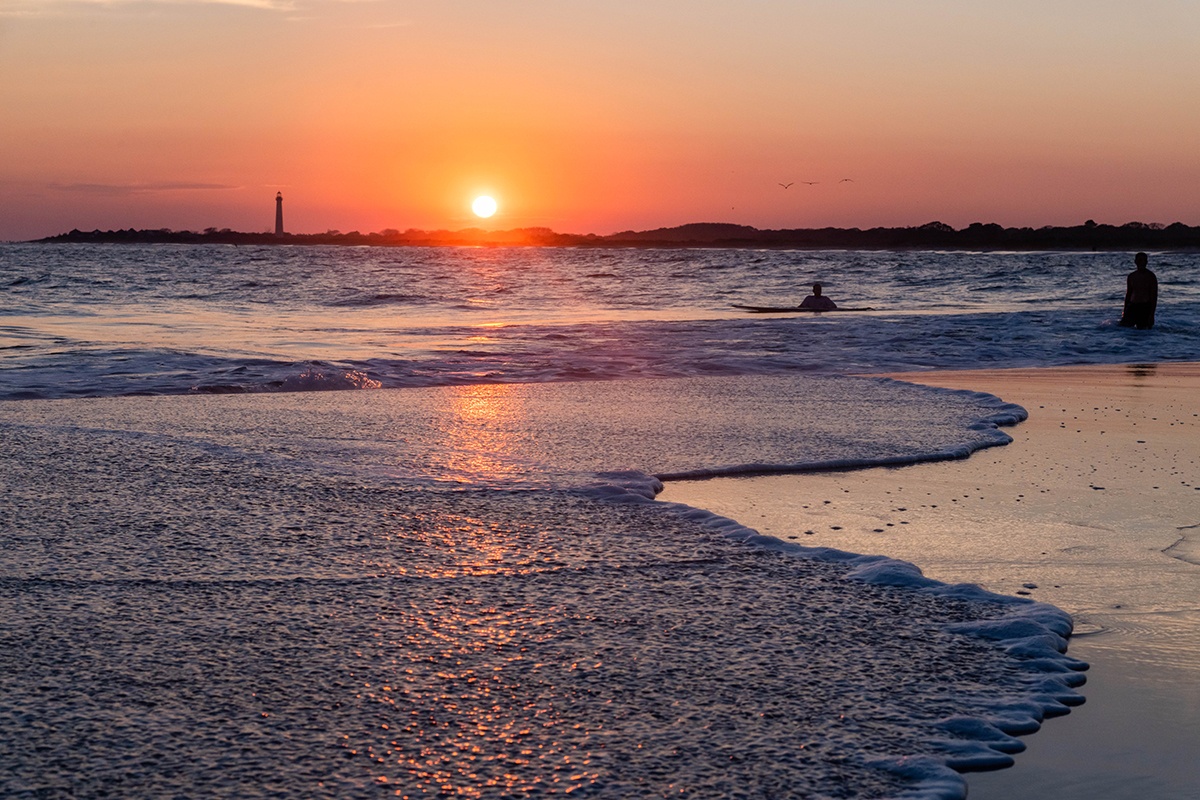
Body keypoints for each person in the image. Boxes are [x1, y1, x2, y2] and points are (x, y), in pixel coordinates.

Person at [1119, 252, 1157, 329]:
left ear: (1147, 262)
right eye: (1140, 260)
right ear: (1135, 262)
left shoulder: (1151, 276)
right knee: (1123, 328)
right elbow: (1128, 294)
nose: (1142, 263)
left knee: (1143, 331)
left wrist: (1152, 314)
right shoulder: (1131, 276)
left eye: (1144, 260)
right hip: (1132, 306)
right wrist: (1124, 311)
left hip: (1145, 307)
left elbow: (1154, 296)